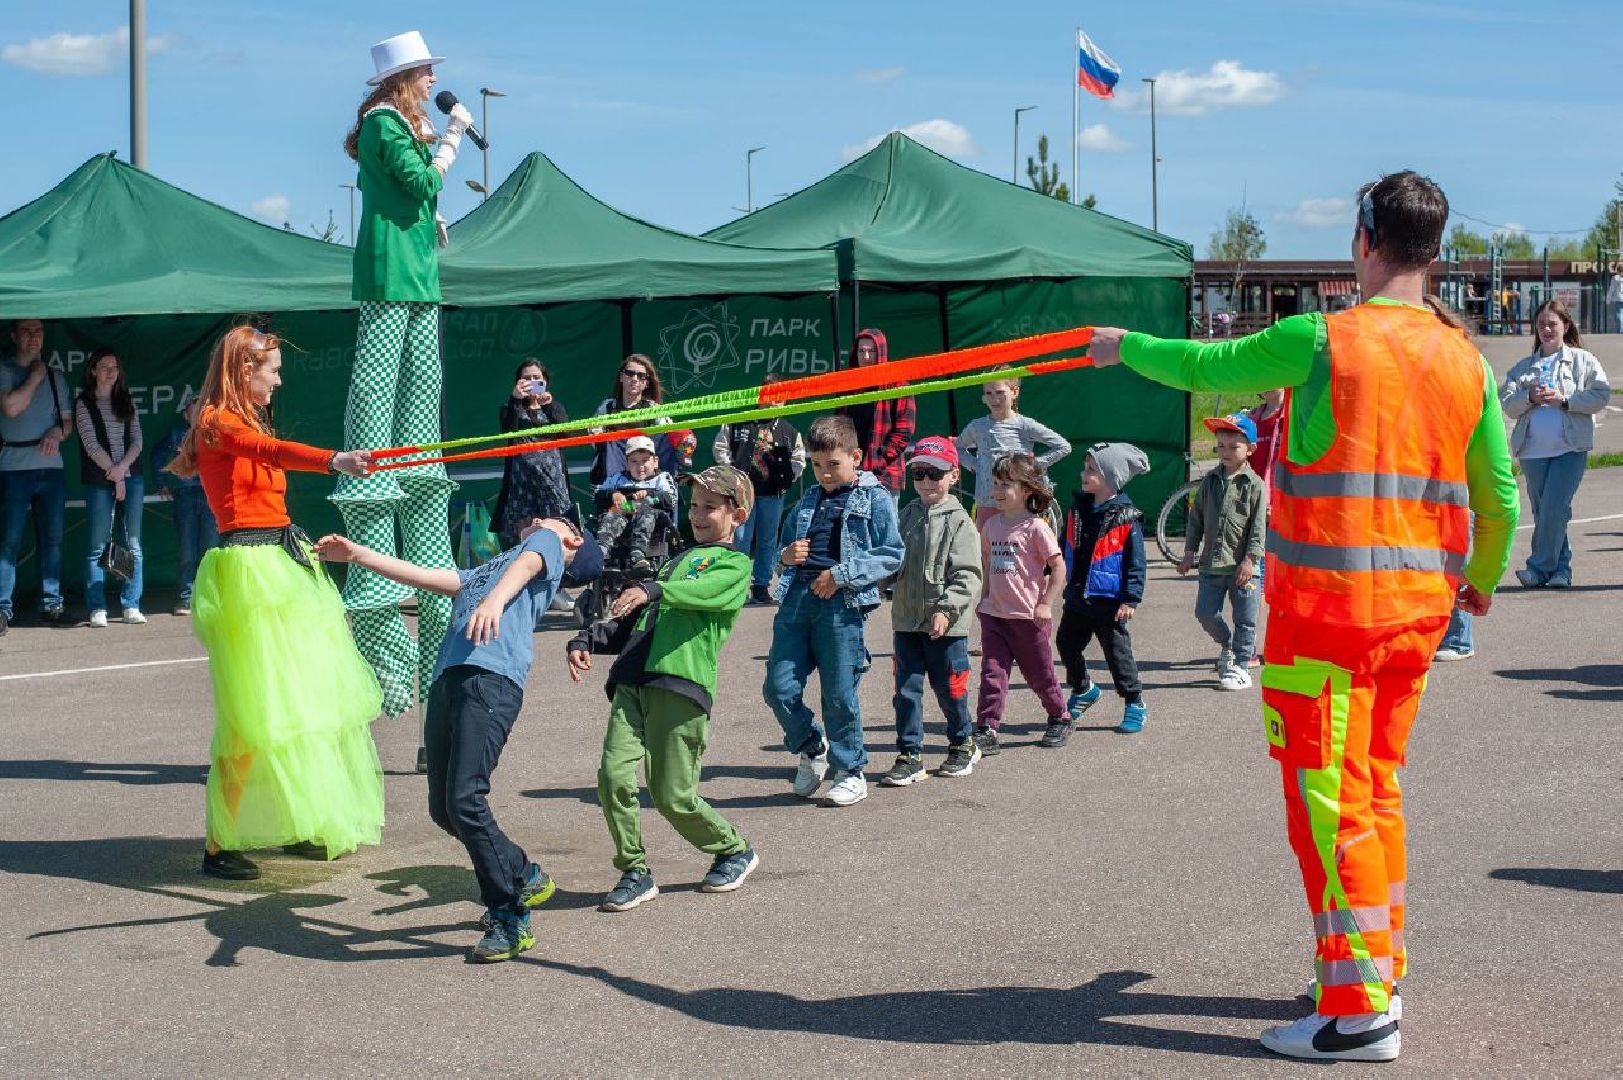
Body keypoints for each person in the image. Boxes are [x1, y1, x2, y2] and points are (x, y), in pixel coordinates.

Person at [1087, 171, 1519, 1062]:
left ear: (1363, 239)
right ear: (1435, 252)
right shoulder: (1464, 358)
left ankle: (1358, 1009)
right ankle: (1374, 966)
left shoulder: (1322, 340)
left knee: (1326, 804)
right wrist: (1476, 581)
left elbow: (1202, 368)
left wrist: (1121, 344)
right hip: (1412, 619)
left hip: (1324, 618)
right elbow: (1500, 499)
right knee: (1373, 790)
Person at [316, 517, 600, 961]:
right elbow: (430, 578)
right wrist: (358, 555)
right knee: (444, 809)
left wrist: (493, 603)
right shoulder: (492, 569)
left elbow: (525, 566)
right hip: (450, 681)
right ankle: (523, 873)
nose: (536, 520)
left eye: (550, 518)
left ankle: (509, 917)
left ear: (572, 538)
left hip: (491, 681)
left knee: (466, 799)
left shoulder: (545, 547)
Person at [167, 326, 385, 882]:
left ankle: (298, 821)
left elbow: (268, 454)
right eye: (273, 369)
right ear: (244, 369)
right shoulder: (217, 420)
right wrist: (334, 460)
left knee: (302, 702)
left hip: (284, 564)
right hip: (250, 572)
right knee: (254, 715)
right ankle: (219, 844)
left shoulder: (246, 419)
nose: (280, 378)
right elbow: (267, 451)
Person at [334, 30, 472, 720]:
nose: (429, 82)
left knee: (424, 378)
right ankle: (376, 458)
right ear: (402, 78)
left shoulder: (398, 124)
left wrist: (433, 220)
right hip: (390, 273)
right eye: (423, 73)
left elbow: (415, 197)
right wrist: (450, 139)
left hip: (419, 273)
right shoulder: (383, 122)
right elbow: (417, 180)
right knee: (381, 375)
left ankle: (414, 457)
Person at [567, 466, 760, 913]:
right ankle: (634, 870)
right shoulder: (674, 562)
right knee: (613, 776)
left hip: (681, 687)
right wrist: (587, 639)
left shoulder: (734, 565)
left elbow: (699, 593)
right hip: (632, 682)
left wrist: (653, 588)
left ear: (738, 514)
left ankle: (732, 850)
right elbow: (636, 620)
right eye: (693, 506)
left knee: (673, 796)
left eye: (710, 507)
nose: (697, 515)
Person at [764, 414, 904, 807]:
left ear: (856, 457)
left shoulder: (874, 496)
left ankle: (850, 770)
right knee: (778, 687)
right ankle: (812, 745)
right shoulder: (807, 499)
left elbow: (892, 554)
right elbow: (782, 551)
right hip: (796, 601)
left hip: (841, 604)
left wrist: (840, 575)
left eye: (833, 464)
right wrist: (785, 556)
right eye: (816, 464)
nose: (824, 473)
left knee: (839, 693)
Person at [885, 436, 983, 784]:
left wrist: (947, 610)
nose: (926, 481)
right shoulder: (907, 515)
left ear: (954, 475)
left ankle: (963, 743)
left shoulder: (960, 522)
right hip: (907, 621)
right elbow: (893, 559)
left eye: (935, 473)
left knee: (950, 689)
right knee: (906, 691)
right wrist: (883, 579)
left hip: (946, 627)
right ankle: (910, 754)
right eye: (919, 473)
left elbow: (969, 575)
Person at [1499, 299, 1611, 589]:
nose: (1546, 329)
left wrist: (1565, 401)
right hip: (1532, 451)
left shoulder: (1582, 360)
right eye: (1541, 325)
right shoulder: (1523, 367)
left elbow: (1601, 395)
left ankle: (1537, 568)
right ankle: (1560, 571)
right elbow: (1507, 404)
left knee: (1554, 506)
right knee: (1547, 512)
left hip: (1569, 449)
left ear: (1566, 325)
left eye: (1552, 323)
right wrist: (1530, 398)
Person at [973, 452, 1069, 756]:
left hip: (1029, 618)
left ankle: (1060, 716)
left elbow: (1059, 568)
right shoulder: (990, 526)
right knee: (992, 674)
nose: (998, 491)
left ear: (1027, 490)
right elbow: (987, 564)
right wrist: (984, 599)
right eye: (996, 484)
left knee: (1040, 674)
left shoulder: (1036, 528)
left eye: (1006, 485)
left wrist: (1046, 603)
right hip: (995, 616)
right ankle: (987, 728)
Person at [1056, 442, 1150, 736]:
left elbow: (1136, 563)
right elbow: (1063, 545)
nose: (1083, 474)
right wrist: (1051, 569)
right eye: (1085, 468)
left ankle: (1134, 702)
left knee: (1117, 655)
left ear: (1112, 477)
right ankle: (1083, 689)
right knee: (1066, 644)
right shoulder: (1078, 509)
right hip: (1077, 597)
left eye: (1091, 469)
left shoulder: (1127, 517)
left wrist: (1130, 598)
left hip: (1109, 602)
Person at [1178, 414, 1266, 691]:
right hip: (1212, 564)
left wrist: (1250, 560)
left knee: (1246, 619)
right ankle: (1227, 646)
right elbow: (1197, 520)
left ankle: (1241, 666)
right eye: (1221, 446)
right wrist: (1189, 552)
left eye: (1233, 446)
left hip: (1244, 567)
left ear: (1250, 449)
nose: (1225, 452)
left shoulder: (1255, 485)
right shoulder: (1209, 482)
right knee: (1205, 612)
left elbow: (1258, 527)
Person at [0, 318, 72, 633]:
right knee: (9, 541)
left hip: (51, 468)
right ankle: (3, 610)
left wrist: (58, 431)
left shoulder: (57, 377)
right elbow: (11, 408)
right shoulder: (5, 370)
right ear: (14, 335)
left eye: (38, 331)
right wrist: (35, 377)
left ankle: (52, 605)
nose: (33, 337)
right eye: (27, 331)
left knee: (53, 540)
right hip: (14, 467)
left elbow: (68, 423)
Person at [712, 374, 805, 605]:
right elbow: (720, 447)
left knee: (768, 540)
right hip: (743, 493)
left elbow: (799, 458)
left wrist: (789, 475)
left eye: (781, 396)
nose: (775, 400)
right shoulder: (738, 421)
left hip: (772, 494)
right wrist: (731, 475)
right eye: (771, 394)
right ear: (761, 394)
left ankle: (762, 585)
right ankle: (737, 585)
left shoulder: (789, 431)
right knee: (741, 538)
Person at [75, 349, 147, 627]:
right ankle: (97, 609)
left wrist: (123, 470)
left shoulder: (126, 400)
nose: (110, 372)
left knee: (133, 543)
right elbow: (91, 445)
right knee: (97, 545)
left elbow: (138, 440)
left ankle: (131, 605)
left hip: (132, 477)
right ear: (93, 370)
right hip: (100, 480)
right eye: (104, 367)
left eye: (114, 367)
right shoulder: (84, 403)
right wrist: (116, 476)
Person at [956, 368, 1072, 526]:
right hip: (987, 501)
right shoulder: (977, 426)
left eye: (999, 392)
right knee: (986, 547)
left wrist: (1031, 467)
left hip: (1018, 503)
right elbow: (957, 449)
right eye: (988, 393)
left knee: (1020, 544)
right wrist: (975, 465)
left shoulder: (1024, 425)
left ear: (1014, 392)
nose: (994, 399)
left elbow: (1063, 447)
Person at [492, 358, 574, 545]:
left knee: (557, 527)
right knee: (524, 532)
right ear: (518, 382)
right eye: (526, 378)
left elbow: (566, 433)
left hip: (552, 482)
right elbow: (508, 431)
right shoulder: (510, 408)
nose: (531, 382)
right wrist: (515, 399)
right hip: (522, 484)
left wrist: (549, 406)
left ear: (544, 381)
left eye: (536, 378)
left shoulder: (555, 407)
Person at [590, 353, 694, 485]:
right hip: (612, 478)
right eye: (630, 373)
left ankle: (666, 488)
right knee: (606, 441)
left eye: (641, 376)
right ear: (621, 377)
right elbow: (594, 439)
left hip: (647, 478)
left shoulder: (652, 409)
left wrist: (685, 445)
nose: (634, 379)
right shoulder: (607, 407)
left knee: (682, 432)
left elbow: (673, 437)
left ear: (646, 383)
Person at [837, 330, 915, 496]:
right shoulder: (847, 385)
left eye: (871, 351)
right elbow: (838, 426)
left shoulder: (898, 384)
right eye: (861, 351)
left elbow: (904, 430)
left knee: (884, 522)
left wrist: (880, 458)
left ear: (881, 353)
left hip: (885, 475)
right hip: (850, 472)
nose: (866, 357)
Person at [593, 435, 677, 572]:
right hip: (621, 515)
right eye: (634, 461)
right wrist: (613, 494)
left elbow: (671, 499)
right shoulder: (617, 478)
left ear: (655, 462)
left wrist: (650, 495)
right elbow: (597, 495)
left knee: (643, 507)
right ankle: (601, 550)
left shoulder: (662, 478)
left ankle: (638, 554)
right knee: (615, 510)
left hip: (652, 521)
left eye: (645, 461)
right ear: (627, 463)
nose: (640, 466)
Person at [1246, 388, 1286, 485]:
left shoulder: (1292, 416)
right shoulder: (1250, 418)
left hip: (1281, 487)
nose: (1268, 386)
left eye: (1274, 379)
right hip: (1254, 485)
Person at [1606, 269, 1623, 334]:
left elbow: (1611, 290)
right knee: (1619, 314)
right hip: (1619, 298)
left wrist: (1608, 300)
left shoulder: (1615, 279)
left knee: (1619, 314)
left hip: (1619, 298)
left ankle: (1620, 329)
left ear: (1618, 272)